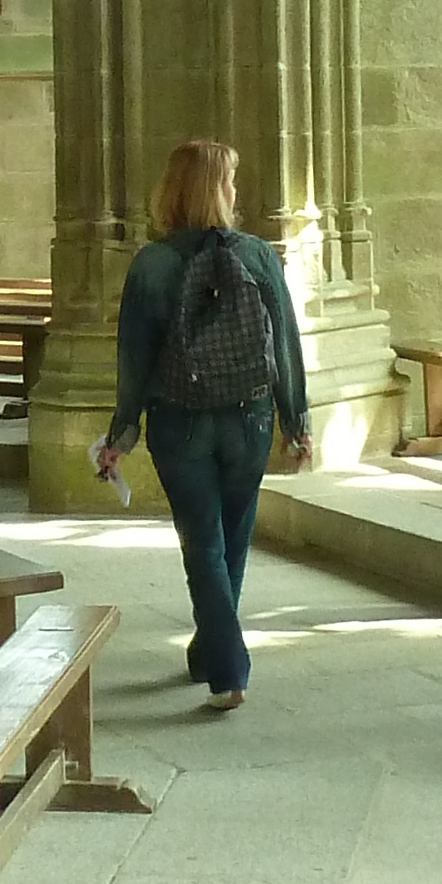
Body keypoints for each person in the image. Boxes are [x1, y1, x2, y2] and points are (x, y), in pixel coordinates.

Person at [96, 137, 309, 713]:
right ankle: (211, 647)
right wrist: (295, 418)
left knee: (203, 544)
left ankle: (227, 668)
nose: (236, 191)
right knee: (232, 538)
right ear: (218, 190)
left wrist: (121, 433)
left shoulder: (152, 264)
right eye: (231, 181)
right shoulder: (258, 256)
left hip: (180, 422)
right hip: (252, 416)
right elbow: (285, 344)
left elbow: (133, 360)